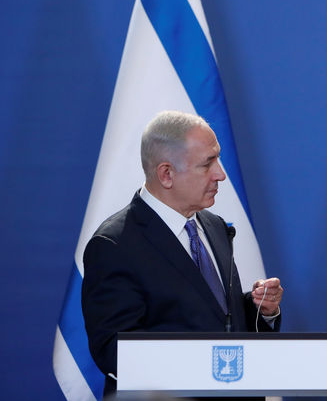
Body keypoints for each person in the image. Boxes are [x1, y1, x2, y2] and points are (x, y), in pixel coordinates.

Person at [82, 111, 283, 398]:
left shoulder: (213, 226)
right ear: (166, 174)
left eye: (218, 158)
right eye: (207, 164)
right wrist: (202, 365)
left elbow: (214, 318)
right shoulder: (114, 244)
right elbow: (115, 351)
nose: (221, 174)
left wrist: (259, 310)